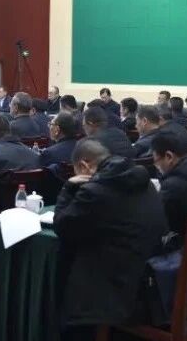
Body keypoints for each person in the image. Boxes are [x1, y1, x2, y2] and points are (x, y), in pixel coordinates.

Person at [53, 138, 168, 327]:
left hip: (118, 292)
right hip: (151, 278)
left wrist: (68, 187)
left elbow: (62, 226)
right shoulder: (143, 180)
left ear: (84, 167)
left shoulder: (96, 191)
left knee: (66, 264)